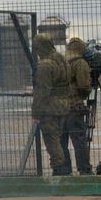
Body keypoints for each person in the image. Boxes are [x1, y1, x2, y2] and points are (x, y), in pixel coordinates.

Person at [31, 34, 73, 176]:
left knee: (52, 142)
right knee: (59, 140)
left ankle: (59, 170)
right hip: (64, 105)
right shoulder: (63, 61)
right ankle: (64, 170)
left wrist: (36, 113)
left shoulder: (44, 65)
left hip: (50, 108)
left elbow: (42, 92)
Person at [61, 37, 94, 174]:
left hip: (57, 108)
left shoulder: (59, 62)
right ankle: (84, 170)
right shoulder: (80, 63)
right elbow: (84, 86)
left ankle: (63, 170)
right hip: (74, 106)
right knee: (79, 140)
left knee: (61, 142)